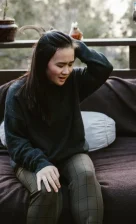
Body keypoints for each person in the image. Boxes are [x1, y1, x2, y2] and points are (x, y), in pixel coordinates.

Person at [4, 30, 113, 224]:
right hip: (31, 157)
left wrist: (76, 45)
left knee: (86, 176)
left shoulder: (74, 82)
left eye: (71, 64)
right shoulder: (17, 92)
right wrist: (40, 164)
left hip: (70, 152)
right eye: (60, 65)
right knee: (47, 189)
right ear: (42, 63)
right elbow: (15, 142)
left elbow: (103, 67)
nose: (67, 71)